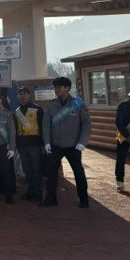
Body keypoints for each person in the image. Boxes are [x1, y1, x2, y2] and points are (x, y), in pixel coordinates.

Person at [42, 77, 91, 208]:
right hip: (56, 145)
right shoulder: (51, 105)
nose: (57, 90)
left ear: (67, 88)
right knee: (51, 173)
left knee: (79, 173)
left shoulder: (78, 104)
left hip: (73, 145)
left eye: (59, 87)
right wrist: (47, 142)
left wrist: (82, 142)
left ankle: (84, 199)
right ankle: (50, 199)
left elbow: (86, 124)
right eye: (55, 87)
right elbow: (46, 124)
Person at [15, 86, 44, 202]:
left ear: (29, 95)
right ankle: (30, 191)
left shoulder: (37, 109)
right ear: (17, 96)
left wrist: (44, 143)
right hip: (22, 144)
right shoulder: (17, 111)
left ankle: (38, 192)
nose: (23, 96)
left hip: (35, 144)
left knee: (36, 169)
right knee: (27, 169)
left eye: (25, 93)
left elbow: (43, 126)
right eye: (20, 94)